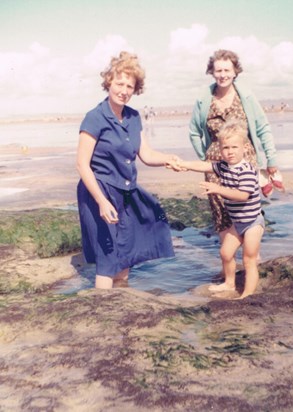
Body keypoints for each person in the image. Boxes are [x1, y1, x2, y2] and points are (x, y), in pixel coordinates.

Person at [76, 51, 180, 289]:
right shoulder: (95, 118)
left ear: (136, 89)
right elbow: (82, 164)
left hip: (126, 192)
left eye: (129, 86)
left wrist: (169, 159)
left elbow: (146, 154)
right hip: (98, 192)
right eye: (119, 83)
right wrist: (102, 202)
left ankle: (121, 303)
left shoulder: (133, 117)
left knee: (126, 253)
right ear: (108, 83)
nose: (124, 90)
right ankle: (103, 310)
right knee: (108, 257)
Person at [188, 49, 277, 259]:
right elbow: (193, 132)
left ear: (235, 71)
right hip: (216, 164)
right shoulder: (204, 99)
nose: (223, 74)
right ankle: (228, 264)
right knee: (221, 211)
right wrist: (205, 156)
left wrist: (271, 159)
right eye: (218, 70)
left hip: (245, 161)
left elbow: (263, 127)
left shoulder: (245, 96)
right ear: (212, 71)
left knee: (248, 206)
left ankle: (252, 258)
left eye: (227, 70)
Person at [178, 120, 264, 299]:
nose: (230, 152)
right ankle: (229, 283)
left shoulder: (246, 170)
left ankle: (247, 294)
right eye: (225, 148)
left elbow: (243, 195)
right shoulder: (223, 166)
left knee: (249, 259)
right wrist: (183, 165)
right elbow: (204, 165)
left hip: (253, 222)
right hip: (238, 222)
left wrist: (218, 189)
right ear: (220, 148)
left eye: (234, 147)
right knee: (225, 252)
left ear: (245, 147)